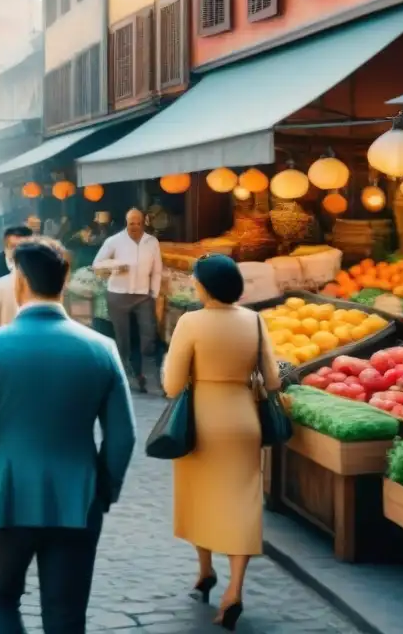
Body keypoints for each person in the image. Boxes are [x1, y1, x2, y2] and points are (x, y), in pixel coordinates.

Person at [0, 238, 136, 632]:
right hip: (78, 497)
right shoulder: (101, 349)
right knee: (66, 614)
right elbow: (123, 436)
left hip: (4, 494)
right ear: (64, 282)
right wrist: (103, 489)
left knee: (0, 597)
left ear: (20, 282)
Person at [162, 254, 280, 631]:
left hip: (202, 421)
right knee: (242, 502)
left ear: (204, 286)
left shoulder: (190, 322)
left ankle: (205, 570)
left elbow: (172, 385)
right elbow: (274, 380)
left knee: (201, 495)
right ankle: (235, 590)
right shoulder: (255, 321)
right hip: (244, 419)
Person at [93, 207, 163, 393]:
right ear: (126, 222)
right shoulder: (114, 241)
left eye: (138, 223)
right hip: (118, 294)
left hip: (143, 295)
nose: (135, 226)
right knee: (122, 338)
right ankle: (128, 379)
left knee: (149, 337)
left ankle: (151, 377)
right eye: (131, 223)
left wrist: (154, 295)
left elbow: (157, 271)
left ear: (144, 222)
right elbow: (97, 264)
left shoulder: (152, 242)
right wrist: (115, 266)